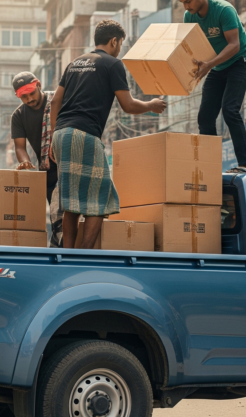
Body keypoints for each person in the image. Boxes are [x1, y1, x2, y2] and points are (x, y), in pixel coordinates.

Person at [49, 20, 166, 249]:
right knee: (101, 199)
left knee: (72, 201)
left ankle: (68, 255)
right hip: (84, 135)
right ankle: (83, 255)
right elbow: (128, 105)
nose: (119, 48)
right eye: (120, 43)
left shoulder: (75, 63)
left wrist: (54, 137)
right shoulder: (113, 64)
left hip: (61, 134)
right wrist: (151, 104)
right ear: (114, 40)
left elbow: (54, 101)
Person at [176, 0, 246, 173]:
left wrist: (209, 64)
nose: (186, 7)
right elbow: (192, 48)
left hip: (240, 62)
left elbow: (234, 45)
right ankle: (209, 167)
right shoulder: (189, 17)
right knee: (205, 117)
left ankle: (245, 165)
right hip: (217, 67)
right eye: (182, 3)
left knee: (230, 110)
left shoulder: (224, 10)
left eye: (188, 1)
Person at [10, 72, 63, 246]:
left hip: (67, 166)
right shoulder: (18, 116)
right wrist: (25, 162)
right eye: (23, 97)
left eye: (31, 93)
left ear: (38, 85)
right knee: (58, 220)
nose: (29, 99)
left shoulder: (57, 101)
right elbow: (19, 147)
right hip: (48, 173)